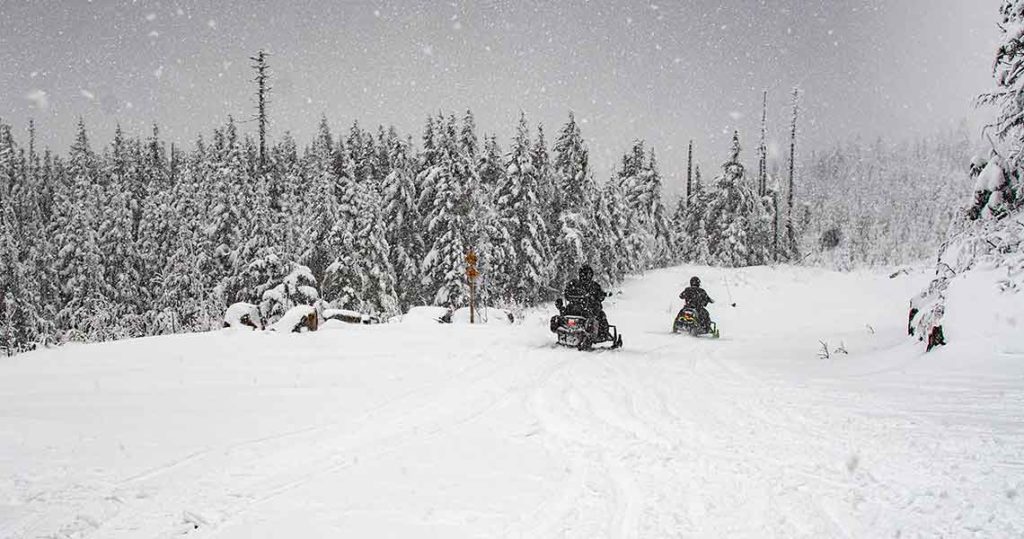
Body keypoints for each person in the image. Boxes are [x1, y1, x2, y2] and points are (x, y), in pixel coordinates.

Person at [564, 265, 610, 337]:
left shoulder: (574, 283)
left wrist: (601, 295)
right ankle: (601, 334)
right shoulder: (592, 285)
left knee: (599, 315)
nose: (586, 276)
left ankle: (599, 333)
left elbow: (567, 294)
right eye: (587, 274)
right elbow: (567, 295)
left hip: (576, 309)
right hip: (585, 310)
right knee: (600, 315)